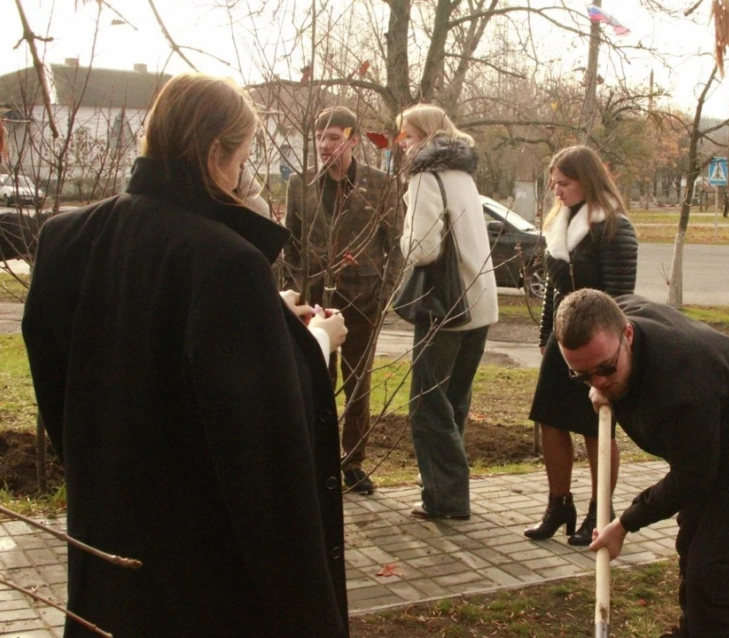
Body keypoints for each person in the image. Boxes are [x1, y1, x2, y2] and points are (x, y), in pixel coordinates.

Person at [22, 73, 350, 638]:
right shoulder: (226, 262)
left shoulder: (65, 240)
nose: (244, 174)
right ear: (217, 152)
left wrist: (266, 317)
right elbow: (260, 443)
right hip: (196, 563)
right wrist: (315, 342)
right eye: (244, 157)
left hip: (106, 538)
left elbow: (89, 359)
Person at [555, 289, 729, 638]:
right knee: (692, 547)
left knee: (710, 567)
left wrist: (624, 523)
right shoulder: (613, 315)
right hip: (714, 440)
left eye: (606, 369)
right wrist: (603, 380)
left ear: (628, 335)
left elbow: (692, 476)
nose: (597, 383)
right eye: (583, 376)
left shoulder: (681, 386)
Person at [284, 106, 403, 495]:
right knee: (316, 377)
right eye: (319, 138)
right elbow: (292, 244)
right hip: (316, 299)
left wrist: (384, 293)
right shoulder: (300, 184)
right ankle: (318, 460)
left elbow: (396, 245)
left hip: (364, 298)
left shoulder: (382, 184)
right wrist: (296, 293)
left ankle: (352, 462)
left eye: (333, 138)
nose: (324, 145)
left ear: (353, 140)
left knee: (357, 383)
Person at [525, 146, 638, 545]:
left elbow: (622, 298)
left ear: (586, 181)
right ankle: (559, 505)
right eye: (554, 182)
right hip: (562, 339)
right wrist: (545, 337)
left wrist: (613, 357)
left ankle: (599, 512)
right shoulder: (558, 223)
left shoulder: (614, 227)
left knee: (596, 427)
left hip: (599, 345)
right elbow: (554, 293)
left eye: (564, 183)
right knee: (550, 419)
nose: (556, 191)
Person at [396, 104, 499, 520]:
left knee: (427, 404)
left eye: (404, 135)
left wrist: (402, 236)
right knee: (454, 401)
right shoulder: (462, 174)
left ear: (422, 135)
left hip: (445, 307)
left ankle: (445, 499)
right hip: (479, 302)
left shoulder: (425, 175)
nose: (401, 143)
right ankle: (448, 493)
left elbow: (423, 248)